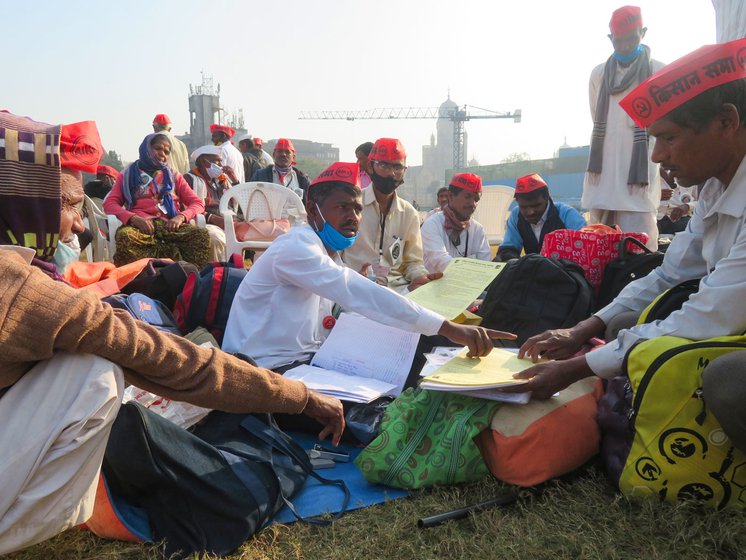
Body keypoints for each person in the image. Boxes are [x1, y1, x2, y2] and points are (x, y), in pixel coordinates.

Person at [0, 111, 346, 556]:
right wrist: (301, 397)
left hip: (173, 230)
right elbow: (164, 359)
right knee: (95, 372)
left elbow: (193, 209)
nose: (81, 224)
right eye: (68, 204)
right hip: (141, 240)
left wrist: (179, 219)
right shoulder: (21, 289)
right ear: (19, 199)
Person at [511, 39, 746, 454]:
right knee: (622, 327)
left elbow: (707, 318)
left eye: (669, 137)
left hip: (728, 327)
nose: (656, 156)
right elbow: (670, 274)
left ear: (726, 123)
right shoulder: (714, 187)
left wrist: (574, 368)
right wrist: (583, 328)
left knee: (729, 383)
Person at [222, 161, 515, 372]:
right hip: (265, 368)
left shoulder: (328, 253)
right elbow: (354, 291)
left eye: (358, 209)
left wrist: (436, 326)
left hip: (307, 358)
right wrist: (448, 327)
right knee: (387, 398)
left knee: (419, 347)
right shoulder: (296, 247)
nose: (353, 217)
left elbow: (348, 301)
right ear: (313, 210)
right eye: (342, 207)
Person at [581, 6, 665, 250]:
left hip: (637, 180)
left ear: (644, 33)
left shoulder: (658, 71)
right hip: (603, 178)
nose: (626, 47)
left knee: (641, 249)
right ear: (610, 39)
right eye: (619, 41)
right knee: (599, 247)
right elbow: (594, 115)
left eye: (632, 39)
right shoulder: (598, 74)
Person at [103, 133, 210, 267]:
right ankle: (137, 280)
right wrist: (133, 218)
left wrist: (181, 217)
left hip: (170, 226)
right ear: (146, 148)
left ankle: (192, 281)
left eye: (166, 152)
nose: (162, 154)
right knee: (126, 237)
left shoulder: (173, 175)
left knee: (200, 235)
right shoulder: (127, 175)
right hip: (141, 227)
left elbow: (197, 203)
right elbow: (110, 204)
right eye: (158, 148)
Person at [342, 138, 435, 292]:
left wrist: (420, 277)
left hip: (397, 291)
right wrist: (350, 276)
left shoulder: (409, 213)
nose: (391, 173)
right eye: (384, 165)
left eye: (398, 167)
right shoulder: (351, 205)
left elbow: (413, 262)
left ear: (405, 170)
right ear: (371, 167)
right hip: (355, 287)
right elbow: (334, 256)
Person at [496, 173, 586, 261]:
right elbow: (507, 250)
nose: (530, 212)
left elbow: (585, 248)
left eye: (536, 205)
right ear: (518, 202)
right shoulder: (516, 215)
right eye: (524, 207)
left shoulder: (566, 214)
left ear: (546, 197)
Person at [420, 173, 491, 273]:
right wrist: (475, 270)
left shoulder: (477, 229)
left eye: (476, 199)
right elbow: (443, 264)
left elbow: (485, 266)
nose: (473, 204)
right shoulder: (432, 224)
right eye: (467, 197)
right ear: (451, 196)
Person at [185, 145, 239, 261]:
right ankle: (217, 273)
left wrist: (234, 179)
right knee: (215, 238)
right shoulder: (190, 179)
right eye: (217, 161)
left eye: (221, 161)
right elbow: (187, 207)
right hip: (207, 222)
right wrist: (212, 218)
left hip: (230, 221)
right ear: (205, 162)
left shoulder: (222, 180)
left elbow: (240, 201)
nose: (221, 165)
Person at [656, 168, 698, 235]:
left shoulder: (692, 176)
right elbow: (638, 199)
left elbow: (701, 202)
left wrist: (688, 206)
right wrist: (656, 196)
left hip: (682, 219)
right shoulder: (651, 174)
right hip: (656, 219)